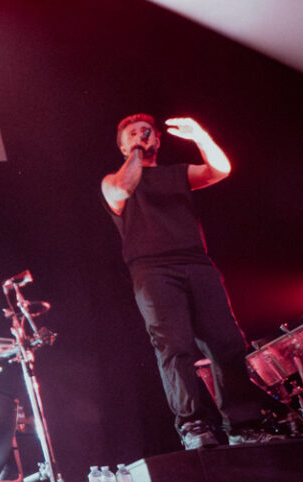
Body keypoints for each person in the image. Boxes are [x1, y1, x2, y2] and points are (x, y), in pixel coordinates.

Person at [102, 113, 274, 450]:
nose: (142, 135)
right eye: (133, 134)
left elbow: (221, 170)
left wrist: (200, 135)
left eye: (146, 132)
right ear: (122, 146)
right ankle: (193, 426)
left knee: (226, 342)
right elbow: (125, 187)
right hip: (152, 270)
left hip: (196, 263)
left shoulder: (177, 173)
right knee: (174, 346)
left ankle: (244, 426)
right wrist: (137, 153)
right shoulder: (113, 181)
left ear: (158, 140)